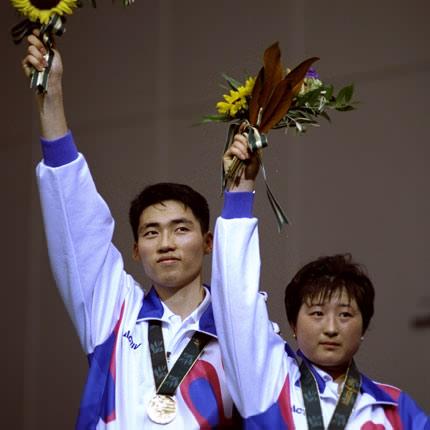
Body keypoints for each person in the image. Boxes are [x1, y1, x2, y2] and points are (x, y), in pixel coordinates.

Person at [23, 33, 240, 429]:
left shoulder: (239, 332)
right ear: (137, 250)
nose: (167, 243)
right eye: (151, 233)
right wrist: (50, 94)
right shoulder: (114, 310)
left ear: (209, 243)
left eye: (180, 229)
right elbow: (76, 218)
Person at [210, 131, 430, 428]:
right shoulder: (267, 379)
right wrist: (239, 193)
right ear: (292, 325)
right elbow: (237, 301)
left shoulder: (395, 410)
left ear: (364, 327)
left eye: (345, 315)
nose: (330, 328)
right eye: (316, 313)